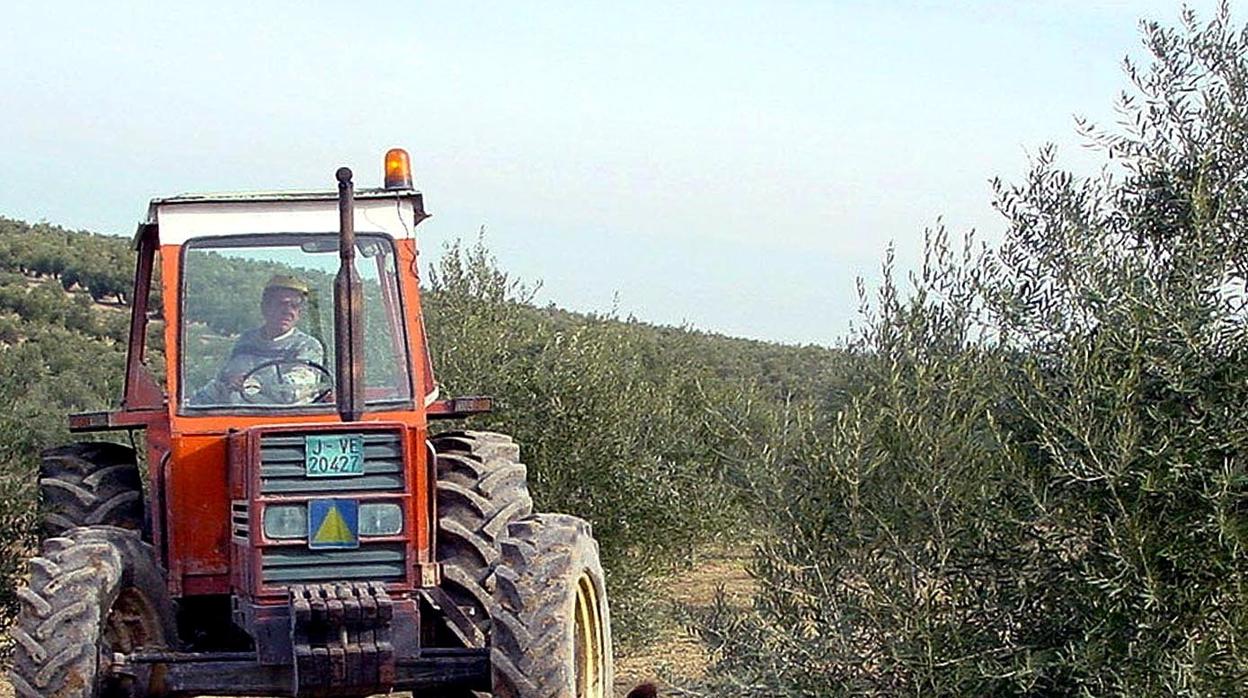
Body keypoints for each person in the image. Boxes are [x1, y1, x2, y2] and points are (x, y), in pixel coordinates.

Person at [189, 274, 327, 406]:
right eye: (281, 304)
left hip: (284, 419)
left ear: (299, 313)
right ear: (265, 307)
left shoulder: (307, 346)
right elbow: (222, 382)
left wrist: (252, 382)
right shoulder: (246, 342)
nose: (288, 311)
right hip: (237, 416)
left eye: (294, 306)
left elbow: (293, 391)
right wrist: (192, 406)